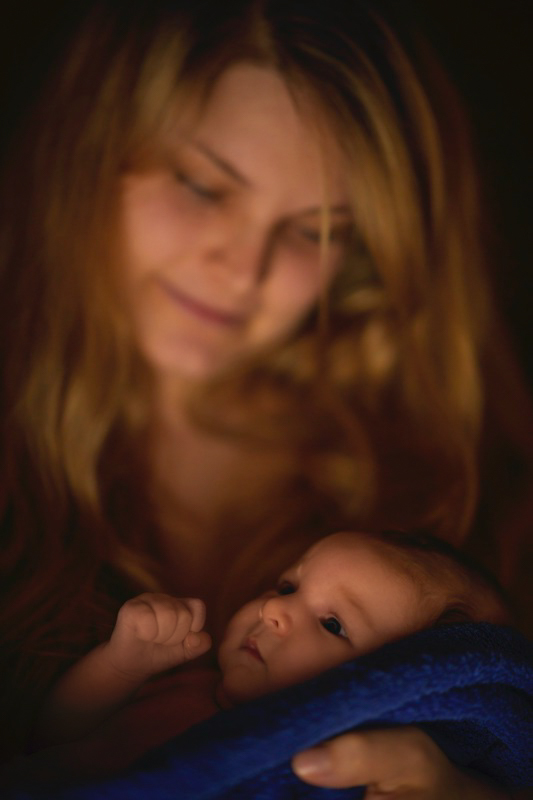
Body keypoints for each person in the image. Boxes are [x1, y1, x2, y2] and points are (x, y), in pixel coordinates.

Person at [0, 0, 531, 796]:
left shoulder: (458, 482)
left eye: (315, 230)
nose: (241, 271)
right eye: (204, 186)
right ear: (87, 154)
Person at [34, 530, 510, 753]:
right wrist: (121, 664)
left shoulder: (321, 762)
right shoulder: (187, 682)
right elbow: (52, 732)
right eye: (288, 588)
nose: (274, 610)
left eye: (332, 625)